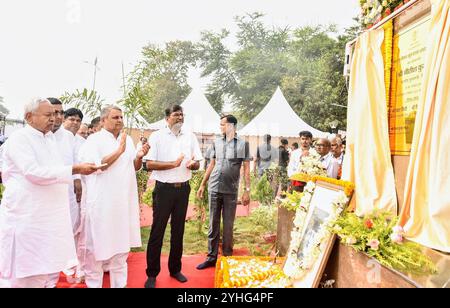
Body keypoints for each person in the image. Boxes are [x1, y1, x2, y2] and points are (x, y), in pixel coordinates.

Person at [0, 98, 98, 288]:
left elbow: (55, 169)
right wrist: (75, 169)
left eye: (54, 114)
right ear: (29, 117)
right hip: (27, 217)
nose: (53, 119)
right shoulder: (20, 139)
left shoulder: (50, 139)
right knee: (23, 275)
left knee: (44, 272)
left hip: (47, 219)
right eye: (48, 115)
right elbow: (33, 172)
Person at [79, 105, 149, 288]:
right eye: (115, 117)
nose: (120, 120)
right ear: (103, 121)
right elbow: (96, 166)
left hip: (123, 203)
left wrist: (140, 156)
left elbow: (133, 166)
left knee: (121, 250)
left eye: (121, 117)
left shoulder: (127, 140)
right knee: (96, 250)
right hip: (102, 204)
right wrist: (119, 150)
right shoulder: (93, 141)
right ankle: (94, 284)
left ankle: (120, 285)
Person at [144, 105, 202, 288]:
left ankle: (175, 269)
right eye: (176, 115)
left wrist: (193, 165)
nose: (180, 118)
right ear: (167, 118)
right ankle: (152, 274)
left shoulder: (190, 136)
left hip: (183, 190)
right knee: (157, 231)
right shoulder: (157, 136)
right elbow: (149, 164)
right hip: (163, 190)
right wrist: (173, 164)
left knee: (179, 231)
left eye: (182, 115)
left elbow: (197, 163)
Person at [196, 115, 251, 270]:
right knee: (213, 223)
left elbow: (246, 169)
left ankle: (227, 257)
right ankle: (211, 257)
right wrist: (202, 184)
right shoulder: (216, 142)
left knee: (228, 225)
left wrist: (247, 191)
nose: (220, 127)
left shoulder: (243, 144)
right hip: (214, 188)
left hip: (230, 191)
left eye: (223, 124)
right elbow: (211, 164)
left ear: (231, 126)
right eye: (220, 125)